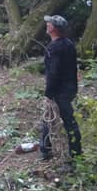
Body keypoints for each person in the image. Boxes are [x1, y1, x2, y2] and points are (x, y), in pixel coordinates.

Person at [39, 15, 82, 160]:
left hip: (60, 91)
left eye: (49, 23)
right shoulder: (69, 44)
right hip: (69, 89)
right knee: (49, 119)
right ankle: (45, 149)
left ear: (54, 28)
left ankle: (76, 154)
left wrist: (48, 93)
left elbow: (53, 72)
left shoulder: (54, 48)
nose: (47, 24)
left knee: (67, 122)